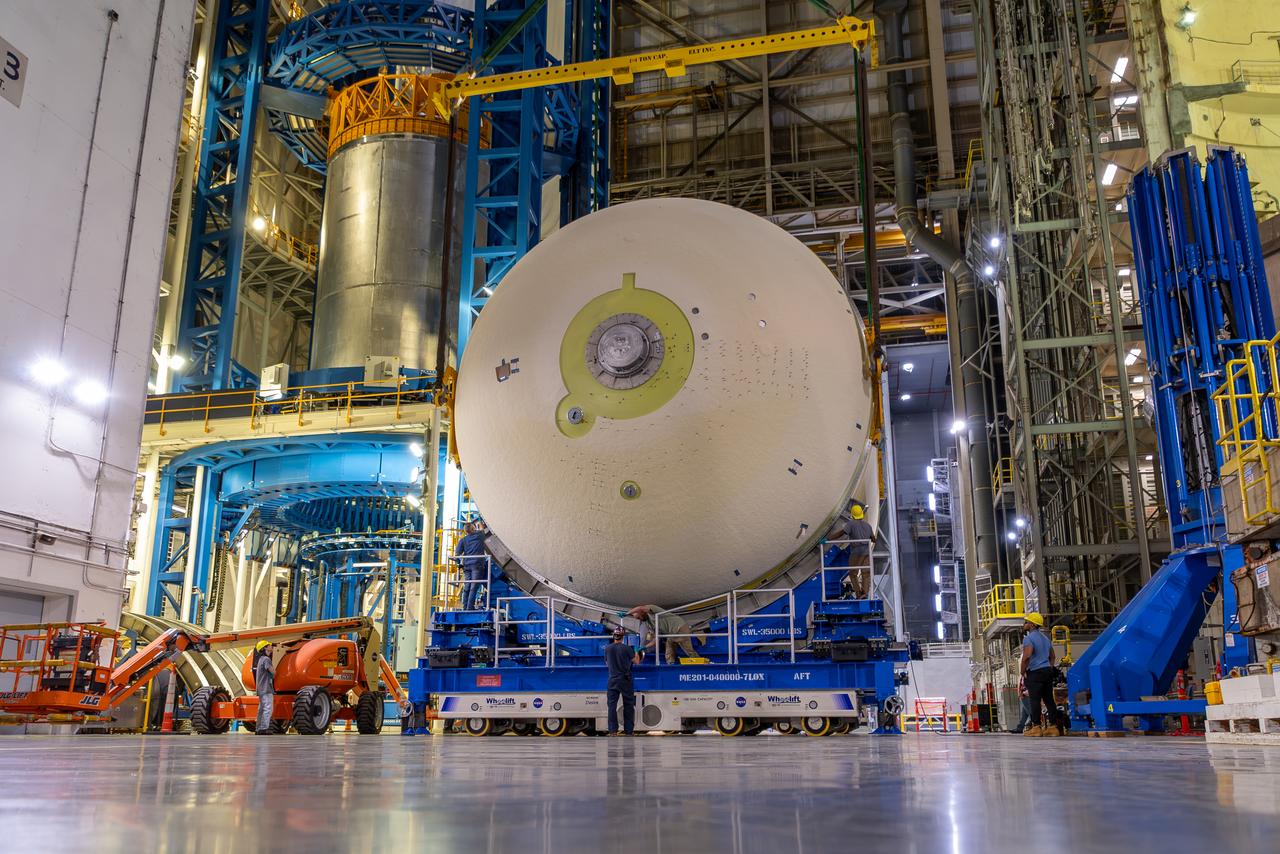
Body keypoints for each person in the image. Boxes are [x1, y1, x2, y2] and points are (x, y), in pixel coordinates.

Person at [1020, 612, 1061, 737]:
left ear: (1032, 625)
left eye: (1026, 622)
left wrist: (1023, 671)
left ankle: (1036, 727)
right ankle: (1053, 727)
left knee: (1035, 700)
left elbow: (1027, 656)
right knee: (1049, 700)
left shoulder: (1029, 638)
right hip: (1047, 671)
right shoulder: (1045, 638)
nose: (1025, 624)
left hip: (1035, 673)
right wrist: (1049, 666)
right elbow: (1052, 656)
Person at [628, 605, 695, 665]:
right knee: (670, 650)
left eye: (639, 617)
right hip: (672, 634)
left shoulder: (652, 611)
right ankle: (671, 665)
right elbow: (656, 639)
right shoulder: (648, 624)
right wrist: (644, 647)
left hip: (680, 628)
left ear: (642, 612)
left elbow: (640, 608)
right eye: (637, 619)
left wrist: (627, 613)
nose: (640, 620)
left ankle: (701, 665)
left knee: (688, 650)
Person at [604, 626, 640, 735]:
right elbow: (637, 661)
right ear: (623, 637)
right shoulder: (627, 648)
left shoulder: (607, 648)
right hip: (625, 680)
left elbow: (607, 663)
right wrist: (637, 651)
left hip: (612, 680)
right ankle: (628, 731)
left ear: (614, 636)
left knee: (611, 706)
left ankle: (612, 731)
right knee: (628, 705)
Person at [454, 521, 489, 610]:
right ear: (473, 528)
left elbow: (457, 554)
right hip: (477, 565)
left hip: (467, 566)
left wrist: (459, 562)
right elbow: (482, 529)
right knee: (474, 586)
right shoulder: (479, 536)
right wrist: (480, 522)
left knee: (467, 586)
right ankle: (469, 607)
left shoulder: (463, 540)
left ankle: (465, 607)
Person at [844, 503, 875, 598]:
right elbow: (873, 539)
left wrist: (828, 539)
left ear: (852, 514)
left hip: (856, 553)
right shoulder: (868, 525)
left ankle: (858, 593)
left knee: (853, 574)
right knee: (866, 573)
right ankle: (865, 593)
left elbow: (842, 533)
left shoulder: (851, 524)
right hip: (866, 552)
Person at [253, 640, 276, 735]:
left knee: (261, 709)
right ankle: (264, 728)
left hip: (261, 688)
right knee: (268, 708)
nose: (271, 646)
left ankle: (258, 728)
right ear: (265, 648)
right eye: (269, 645)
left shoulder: (260, 659)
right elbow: (273, 672)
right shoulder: (266, 659)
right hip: (266, 688)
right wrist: (275, 672)